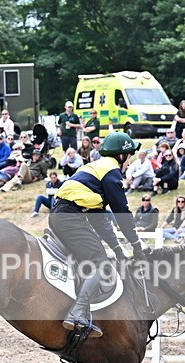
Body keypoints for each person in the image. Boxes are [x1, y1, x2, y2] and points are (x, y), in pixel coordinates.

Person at [49, 132, 146, 337]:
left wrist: (119, 250)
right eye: (129, 156)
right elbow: (122, 213)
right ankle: (77, 313)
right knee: (101, 264)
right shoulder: (112, 173)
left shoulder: (96, 170)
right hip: (70, 217)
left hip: (60, 215)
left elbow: (99, 219)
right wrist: (137, 245)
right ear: (121, 156)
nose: (130, 162)